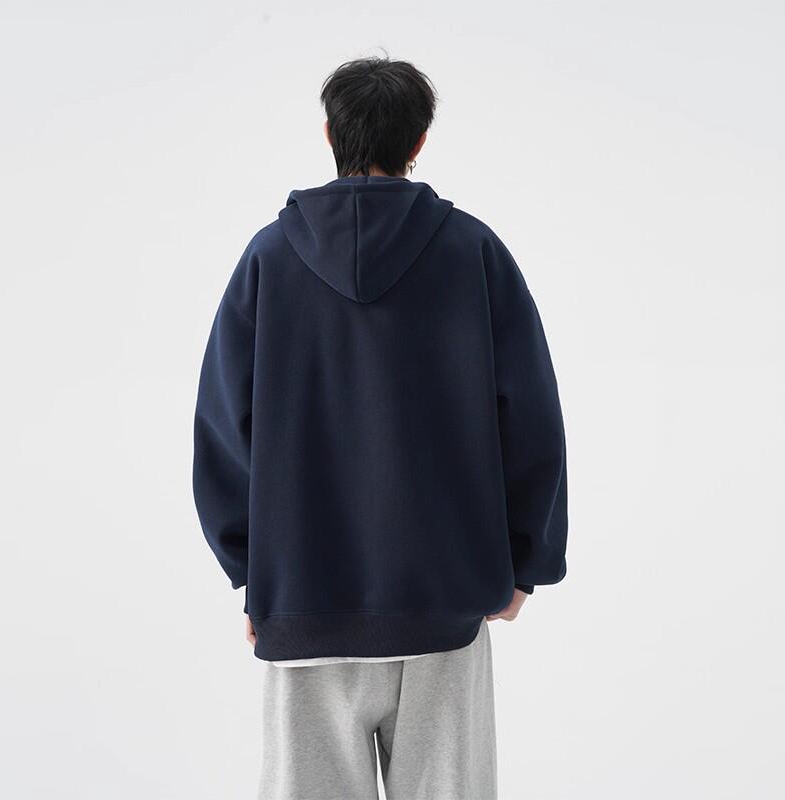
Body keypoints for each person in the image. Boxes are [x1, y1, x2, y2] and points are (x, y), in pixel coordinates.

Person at [192, 56, 568, 800]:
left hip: (304, 602)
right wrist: (526, 562)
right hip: (446, 606)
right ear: (419, 140)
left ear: (329, 134)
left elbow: (224, 426)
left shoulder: (270, 258)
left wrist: (253, 570)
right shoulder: (473, 252)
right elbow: (530, 417)